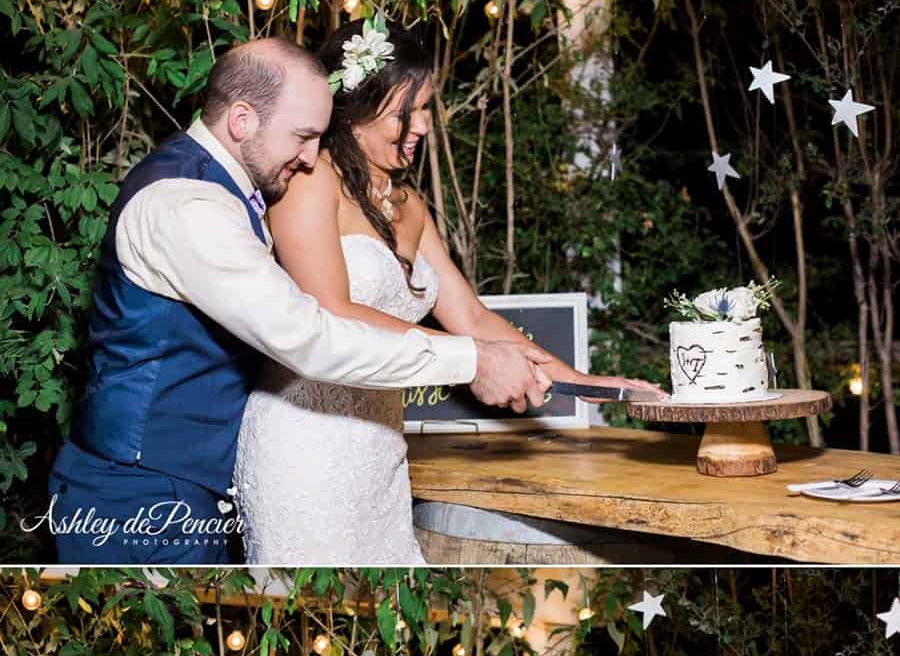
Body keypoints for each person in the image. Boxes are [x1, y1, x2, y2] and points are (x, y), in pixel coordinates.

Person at [45, 37, 553, 566]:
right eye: (303, 136)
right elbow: (308, 337)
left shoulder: (227, 189)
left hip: (192, 487)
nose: (312, 156)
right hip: (135, 492)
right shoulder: (186, 204)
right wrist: (469, 358)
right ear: (241, 120)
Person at [234, 20, 665, 563]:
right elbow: (332, 313)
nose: (422, 126)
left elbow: (473, 319)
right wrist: (474, 360)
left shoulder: (410, 206)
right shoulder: (310, 180)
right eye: (404, 112)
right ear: (354, 108)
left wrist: (586, 382)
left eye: (426, 109)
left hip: (380, 457)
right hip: (304, 447)